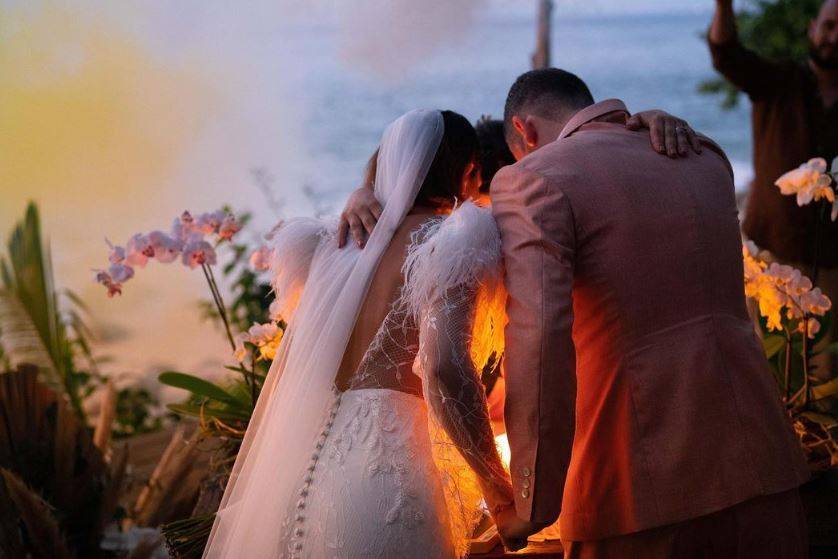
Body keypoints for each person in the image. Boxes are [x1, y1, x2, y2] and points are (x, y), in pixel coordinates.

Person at [492, 68, 810, 558]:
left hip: (634, 487)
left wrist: (533, 501)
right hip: (764, 462)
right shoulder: (700, 152)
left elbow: (540, 340)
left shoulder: (533, 179)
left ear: (524, 130)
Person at [204, 109, 515, 558]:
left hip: (308, 477)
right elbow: (445, 364)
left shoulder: (339, 245)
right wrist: (497, 484)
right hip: (390, 482)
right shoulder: (451, 240)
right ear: (469, 171)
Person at [709, 0, 838, 378]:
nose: (835, 37)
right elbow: (726, 54)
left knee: (823, 380)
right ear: (813, 28)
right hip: (771, 258)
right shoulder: (778, 82)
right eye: (830, 26)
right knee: (763, 372)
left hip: (834, 266)